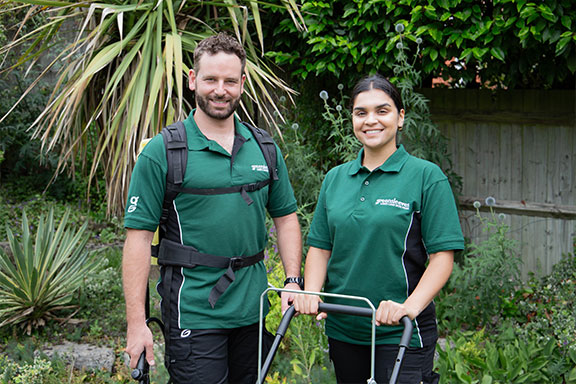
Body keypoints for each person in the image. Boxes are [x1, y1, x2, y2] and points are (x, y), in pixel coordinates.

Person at [122, 32, 302, 384]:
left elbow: (286, 218)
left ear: (242, 83)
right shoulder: (163, 152)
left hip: (254, 310)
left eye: (230, 81)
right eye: (211, 79)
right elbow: (138, 240)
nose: (221, 90)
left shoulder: (264, 148)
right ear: (193, 80)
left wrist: (293, 281)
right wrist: (136, 324)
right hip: (193, 313)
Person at [294, 74, 464, 384]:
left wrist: (408, 308)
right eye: (361, 113)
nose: (371, 120)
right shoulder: (335, 178)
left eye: (382, 111)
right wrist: (311, 293)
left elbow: (443, 257)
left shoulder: (426, 177)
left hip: (400, 332)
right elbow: (320, 247)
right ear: (353, 120)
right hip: (344, 330)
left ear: (400, 118)